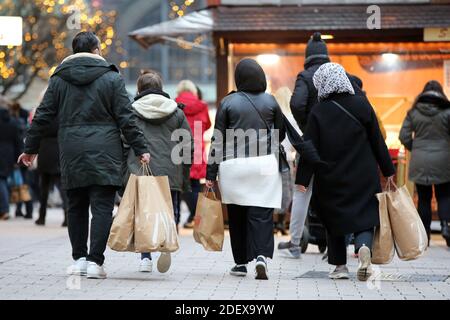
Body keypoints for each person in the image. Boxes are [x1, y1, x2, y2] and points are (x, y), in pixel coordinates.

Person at [18, 31, 150, 279]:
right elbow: (126, 117)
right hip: (105, 150)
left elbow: (43, 115)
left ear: (73, 51)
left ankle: (78, 259)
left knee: (76, 205)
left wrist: (30, 148)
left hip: (71, 149)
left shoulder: (58, 79)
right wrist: (141, 148)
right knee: (101, 206)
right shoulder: (111, 78)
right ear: (97, 50)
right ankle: (94, 262)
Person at [296, 63, 395, 281]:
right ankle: (362, 249)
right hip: (364, 173)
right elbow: (377, 141)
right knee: (366, 216)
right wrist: (388, 169)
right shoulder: (362, 105)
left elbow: (309, 148)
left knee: (334, 219)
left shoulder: (318, 112)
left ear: (322, 84)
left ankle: (339, 266)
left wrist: (302, 178)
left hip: (331, 175)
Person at [279, 32, 363, 258]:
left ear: (308, 56)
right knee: (336, 194)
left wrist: (307, 126)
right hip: (338, 147)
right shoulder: (340, 74)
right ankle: (335, 245)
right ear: (325, 55)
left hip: (311, 146)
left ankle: (295, 244)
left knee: (302, 191)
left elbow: (296, 103)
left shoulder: (305, 76)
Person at [206, 58, 285, 280]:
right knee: (261, 213)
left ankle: (240, 263)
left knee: (238, 215)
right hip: (264, 164)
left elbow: (217, 140)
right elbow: (281, 133)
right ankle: (261, 257)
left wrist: (210, 174)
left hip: (233, 166)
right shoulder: (271, 102)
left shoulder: (228, 102)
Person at [123, 70, 193, 273]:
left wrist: (123, 170)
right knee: (170, 209)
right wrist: (184, 173)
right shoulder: (177, 112)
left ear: (139, 89)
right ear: (161, 89)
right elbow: (187, 144)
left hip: (140, 169)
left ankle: (145, 257)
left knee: (143, 213)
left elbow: (125, 141)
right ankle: (167, 242)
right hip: (171, 170)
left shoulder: (131, 112)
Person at [399, 80, 450, 247]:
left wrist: (416, 148)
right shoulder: (447, 111)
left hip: (420, 160)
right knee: (444, 195)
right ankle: (446, 227)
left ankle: (425, 235)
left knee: (423, 199)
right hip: (443, 159)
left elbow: (404, 135)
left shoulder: (414, 111)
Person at [176, 80, 211, 229]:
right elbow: (208, 124)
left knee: (178, 185)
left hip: (178, 147)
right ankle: (199, 219)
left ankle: (176, 220)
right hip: (196, 147)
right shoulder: (202, 106)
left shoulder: (174, 104)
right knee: (195, 183)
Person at [273, 87, 301, 235]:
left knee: (271, 188)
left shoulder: (270, 115)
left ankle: (273, 222)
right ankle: (281, 223)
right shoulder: (292, 117)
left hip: (270, 158)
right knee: (287, 190)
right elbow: (296, 139)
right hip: (286, 158)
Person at [34, 119, 68, 227]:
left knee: (44, 189)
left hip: (44, 153)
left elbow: (35, 133)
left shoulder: (44, 118)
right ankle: (67, 216)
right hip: (58, 152)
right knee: (62, 188)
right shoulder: (61, 117)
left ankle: (41, 217)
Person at [9, 102, 34, 219]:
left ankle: (24, 209)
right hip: (24, 156)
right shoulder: (24, 124)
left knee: (20, 185)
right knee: (23, 184)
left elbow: (16, 144)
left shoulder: (13, 124)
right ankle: (26, 210)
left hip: (19, 158)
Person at [0, 97, 22, 221]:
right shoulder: (13, 122)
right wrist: (17, 158)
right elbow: (17, 141)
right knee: (6, 180)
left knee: (1, 180)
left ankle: (4, 209)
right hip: (9, 154)